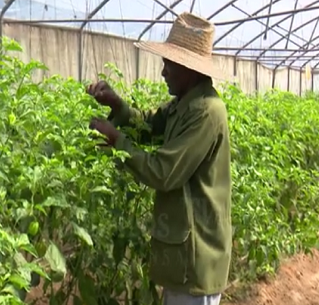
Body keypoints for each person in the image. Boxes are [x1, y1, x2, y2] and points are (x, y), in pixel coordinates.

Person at [87, 12, 232, 305]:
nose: (163, 71)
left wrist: (116, 140)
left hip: (196, 256)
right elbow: (147, 125)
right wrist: (117, 105)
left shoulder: (205, 112)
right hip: (184, 255)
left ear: (189, 68)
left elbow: (164, 173)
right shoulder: (186, 104)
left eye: (169, 64)